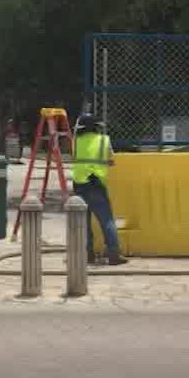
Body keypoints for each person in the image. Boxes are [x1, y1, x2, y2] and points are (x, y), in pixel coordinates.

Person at [70, 109, 126, 266]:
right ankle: (113, 254)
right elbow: (111, 159)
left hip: (79, 184)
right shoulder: (104, 140)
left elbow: (76, 158)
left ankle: (88, 254)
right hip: (96, 184)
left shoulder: (75, 141)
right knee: (106, 220)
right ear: (96, 126)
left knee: (84, 222)